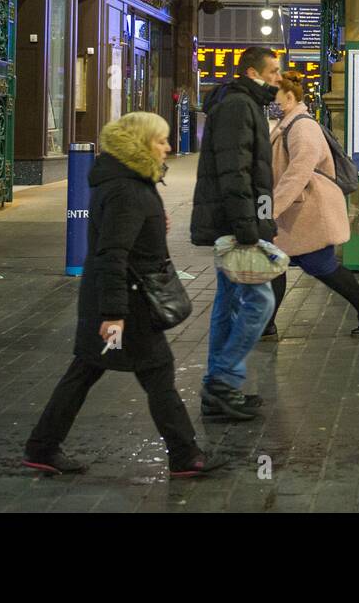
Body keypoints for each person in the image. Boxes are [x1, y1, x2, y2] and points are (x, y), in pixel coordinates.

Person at [22, 112, 225, 478]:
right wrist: (113, 315)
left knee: (85, 371)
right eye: (161, 140)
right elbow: (112, 254)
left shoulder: (126, 181)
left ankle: (42, 447)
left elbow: (120, 241)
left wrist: (152, 224)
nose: (168, 146)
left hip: (117, 300)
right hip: (128, 304)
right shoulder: (127, 190)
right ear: (139, 145)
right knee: (156, 372)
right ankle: (185, 455)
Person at [191, 46, 281, 420]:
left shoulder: (242, 102)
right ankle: (221, 381)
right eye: (274, 70)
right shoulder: (239, 106)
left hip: (234, 221)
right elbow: (235, 171)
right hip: (236, 224)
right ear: (252, 71)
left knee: (229, 303)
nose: (279, 77)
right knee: (259, 302)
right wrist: (249, 229)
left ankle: (219, 387)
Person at [261, 70, 359, 340]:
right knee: (275, 264)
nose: (272, 102)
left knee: (321, 266)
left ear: (290, 97)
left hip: (309, 212)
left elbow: (298, 172)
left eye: (276, 97)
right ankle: (266, 325)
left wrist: (273, 209)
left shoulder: (302, 126)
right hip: (298, 213)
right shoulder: (289, 123)